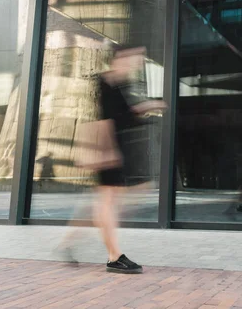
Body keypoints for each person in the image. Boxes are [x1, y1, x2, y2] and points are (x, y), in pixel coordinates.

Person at [57, 45, 166, 273]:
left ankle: (69, 241)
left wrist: (146, 107)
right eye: (136, 56)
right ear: (120, 57)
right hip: (109, 149)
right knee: (107, 203)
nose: (138, 62)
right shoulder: (106, 82)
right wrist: (109, 153)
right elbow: (106, 117)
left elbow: (123, 116)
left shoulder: (121, 83)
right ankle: (114, 256)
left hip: (116, 148)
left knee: (105, 203)